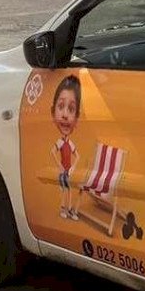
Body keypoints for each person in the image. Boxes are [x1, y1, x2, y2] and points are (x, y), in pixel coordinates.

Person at [50, 75, 81, 220]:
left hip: (68, 171)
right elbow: (52, 152)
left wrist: (73, 167)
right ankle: (64, 209)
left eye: (71, 109)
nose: (65, 115)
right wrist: (60, 166)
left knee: (69, 191)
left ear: (77, 117)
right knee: (64, 191)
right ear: (53, 111)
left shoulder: (70, 143)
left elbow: (77, 156)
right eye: (61, 106)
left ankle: (68, 210)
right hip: (63, 171)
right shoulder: (61, 142)